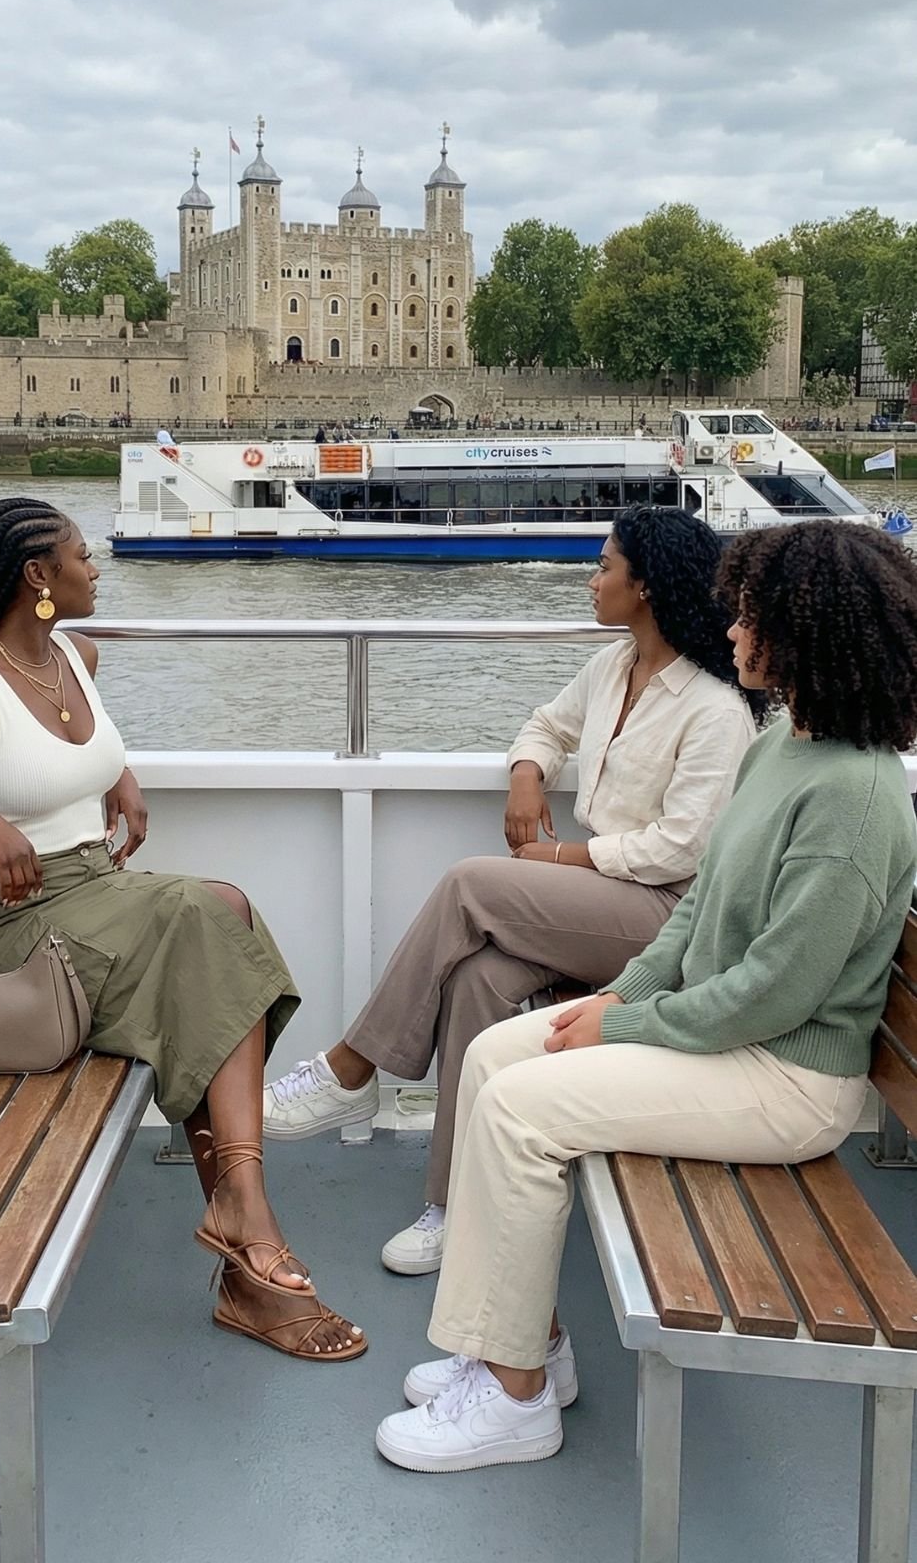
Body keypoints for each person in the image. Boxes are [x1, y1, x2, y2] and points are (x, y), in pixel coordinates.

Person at [374, 517, 917, 1472]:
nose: (732, 632)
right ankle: (520, 1344)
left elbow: (774, 994)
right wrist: (619, 994)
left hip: (786, 1079)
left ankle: (514, 1402)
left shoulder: (854, 801)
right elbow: (696, 909)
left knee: (519, 1110)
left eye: (750, 619)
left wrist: (626, 1020)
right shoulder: (783, 746)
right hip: (730, 1038)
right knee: (496, 1056)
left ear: (807, 634)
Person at [0, 497, 363, 1365]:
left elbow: (73, 752)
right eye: (81, 555)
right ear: (38, 577)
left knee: (220, 911)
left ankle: (245, 1237)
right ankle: (248, 1236)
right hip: (12, 922)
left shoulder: (76, 653)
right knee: (203, 915)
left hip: (92, 895)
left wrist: (121, 778)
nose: (95, 567)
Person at [264, 506, 759, 1275]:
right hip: (606, 901)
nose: (590, 580)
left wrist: (556, 855)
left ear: (647, 588)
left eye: (603, 567)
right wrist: (528, 776)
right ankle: (456, 1201)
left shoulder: (714, 708)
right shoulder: (613, 668)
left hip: (668, 915)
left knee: (470, 883)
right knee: (476, 979)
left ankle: (352, 1069)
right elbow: (544, 726)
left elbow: (680, 848)